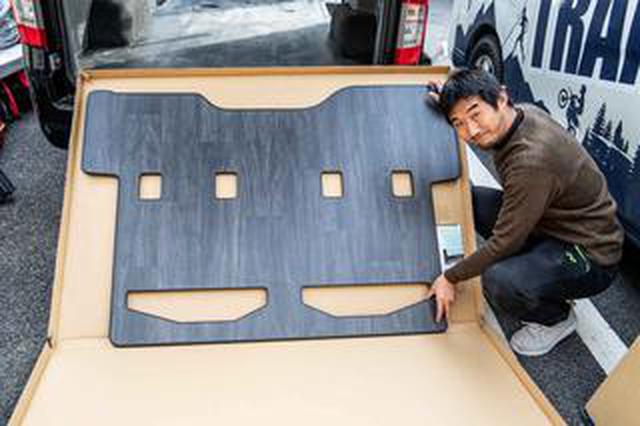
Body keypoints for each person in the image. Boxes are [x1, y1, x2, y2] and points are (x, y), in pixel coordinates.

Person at [426, 69, 624, 356]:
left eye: (475, 114)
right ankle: (537, 270)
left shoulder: (531, 161)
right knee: (470, 200)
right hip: (551, 222)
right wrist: (451, 100)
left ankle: (556, 319)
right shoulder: (521, 113)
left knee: (499, 279)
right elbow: (473, 110)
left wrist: (450, 278)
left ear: (501, 98)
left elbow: (505, 243)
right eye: (459, 123)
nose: (472, 131)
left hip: (590, 253)